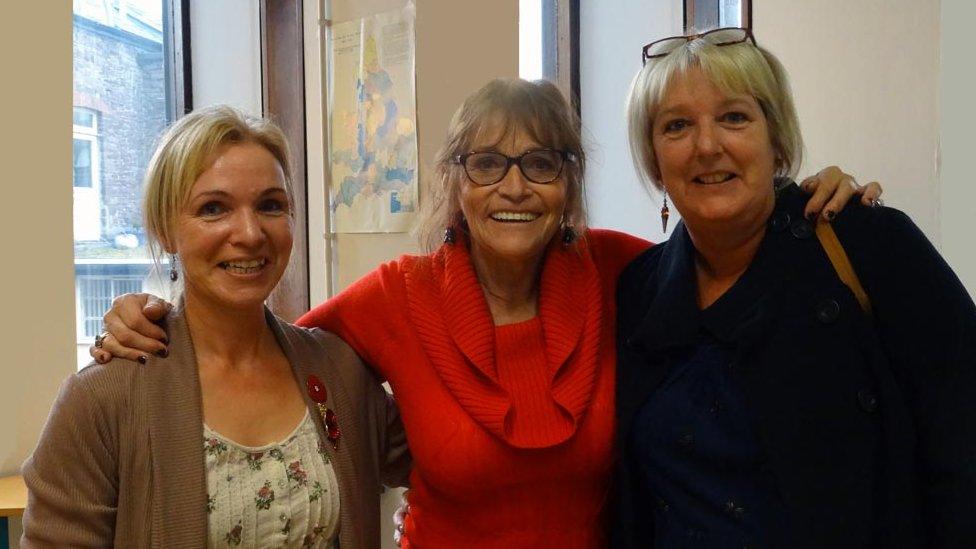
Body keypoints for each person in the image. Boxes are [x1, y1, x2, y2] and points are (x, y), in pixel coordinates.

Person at [90, 80, 879, 547]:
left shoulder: (618, 268)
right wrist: (153, 311)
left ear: (569, 182)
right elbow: (261, 332)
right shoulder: (397, 295)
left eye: (541, 162)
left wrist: (806, 202)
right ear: (455, 180)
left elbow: (731, 257)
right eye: (487, 163)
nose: (513, 186)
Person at [613, 27, 976, 548]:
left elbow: (962, 454)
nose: (707, 146)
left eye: (734, 117)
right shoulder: (637, 291)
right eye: (676, 126)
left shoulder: (871, 245)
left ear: (776, 137)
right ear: (653, 158)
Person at [22, 106, 410, 548]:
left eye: (270, 205)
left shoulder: (339, 373)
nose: (249, 233)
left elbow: (451, 460)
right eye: (213, 208)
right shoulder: (103, 399)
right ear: (166, 231)